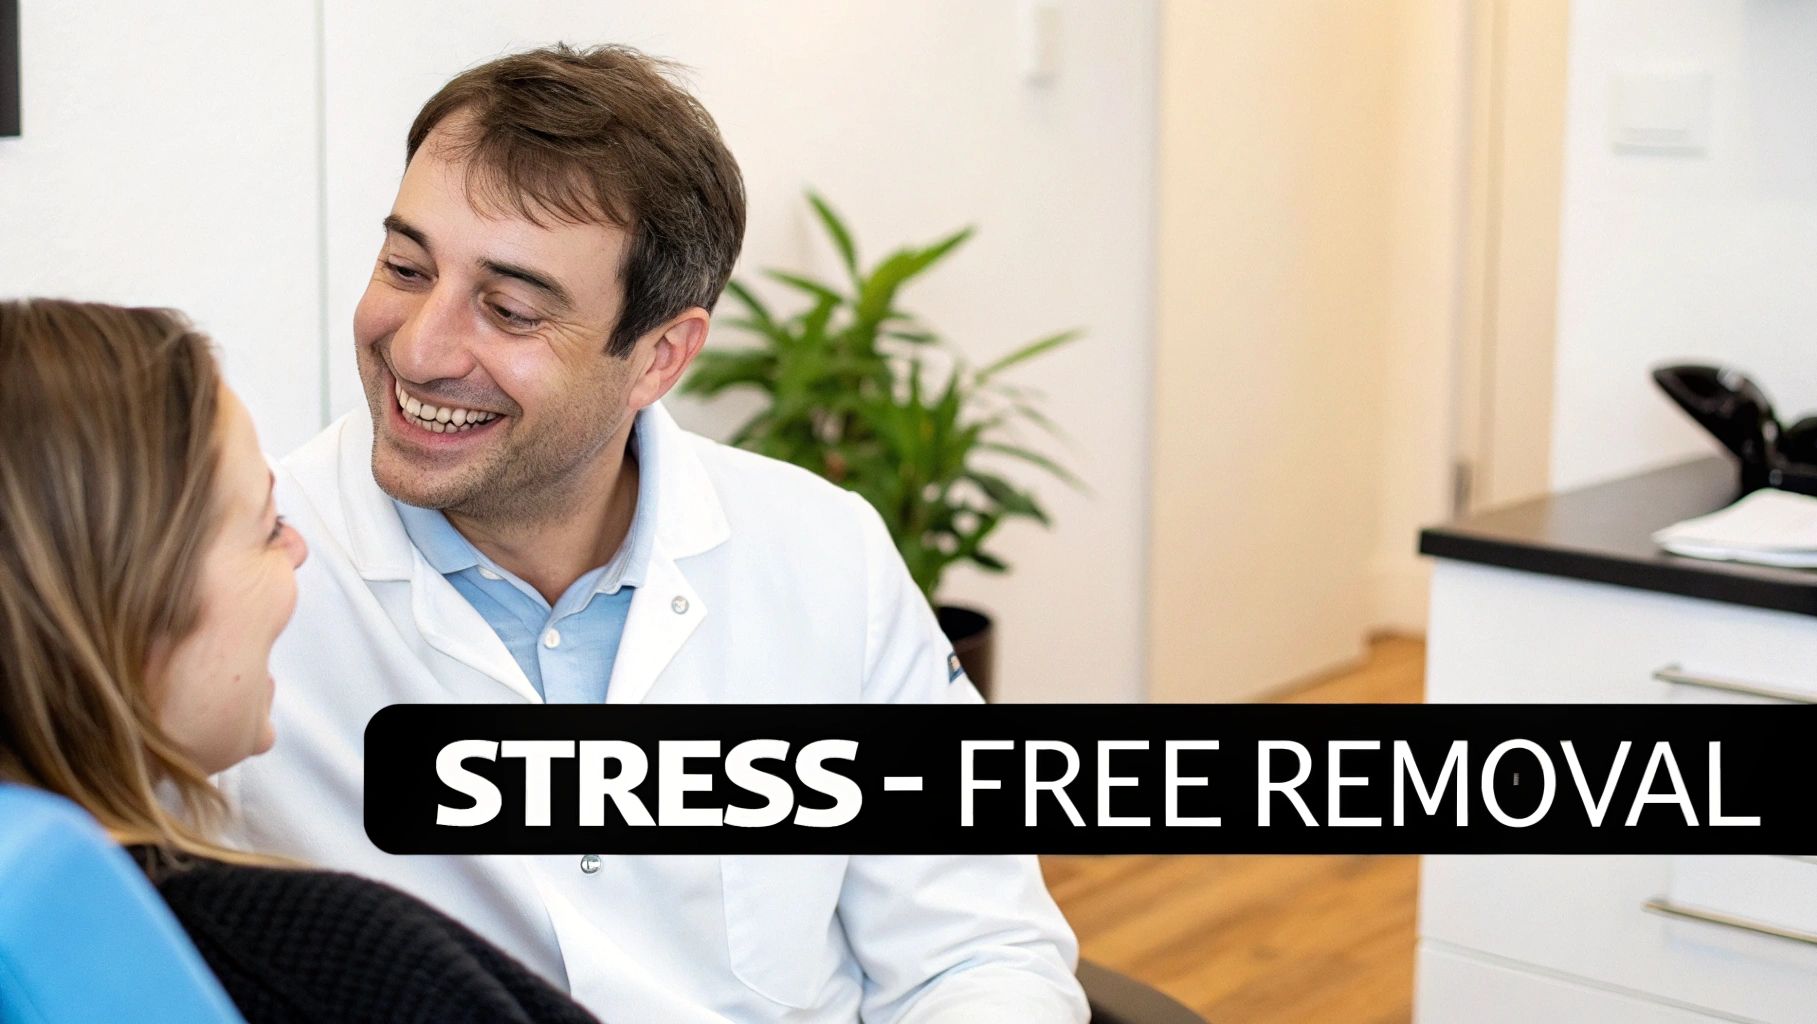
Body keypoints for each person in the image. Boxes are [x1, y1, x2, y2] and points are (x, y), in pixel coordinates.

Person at [222, 43, 1089, 1022]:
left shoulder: (821, 550)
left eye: (509, 309)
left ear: (658, 356)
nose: (419, 346)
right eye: (404, 267)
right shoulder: (237, 580)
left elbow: (975, 949)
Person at [0, 298, 601, 1024]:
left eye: (511, 310)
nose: (298, 549)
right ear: (136, 595)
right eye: (267, 527)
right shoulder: (333, 965)